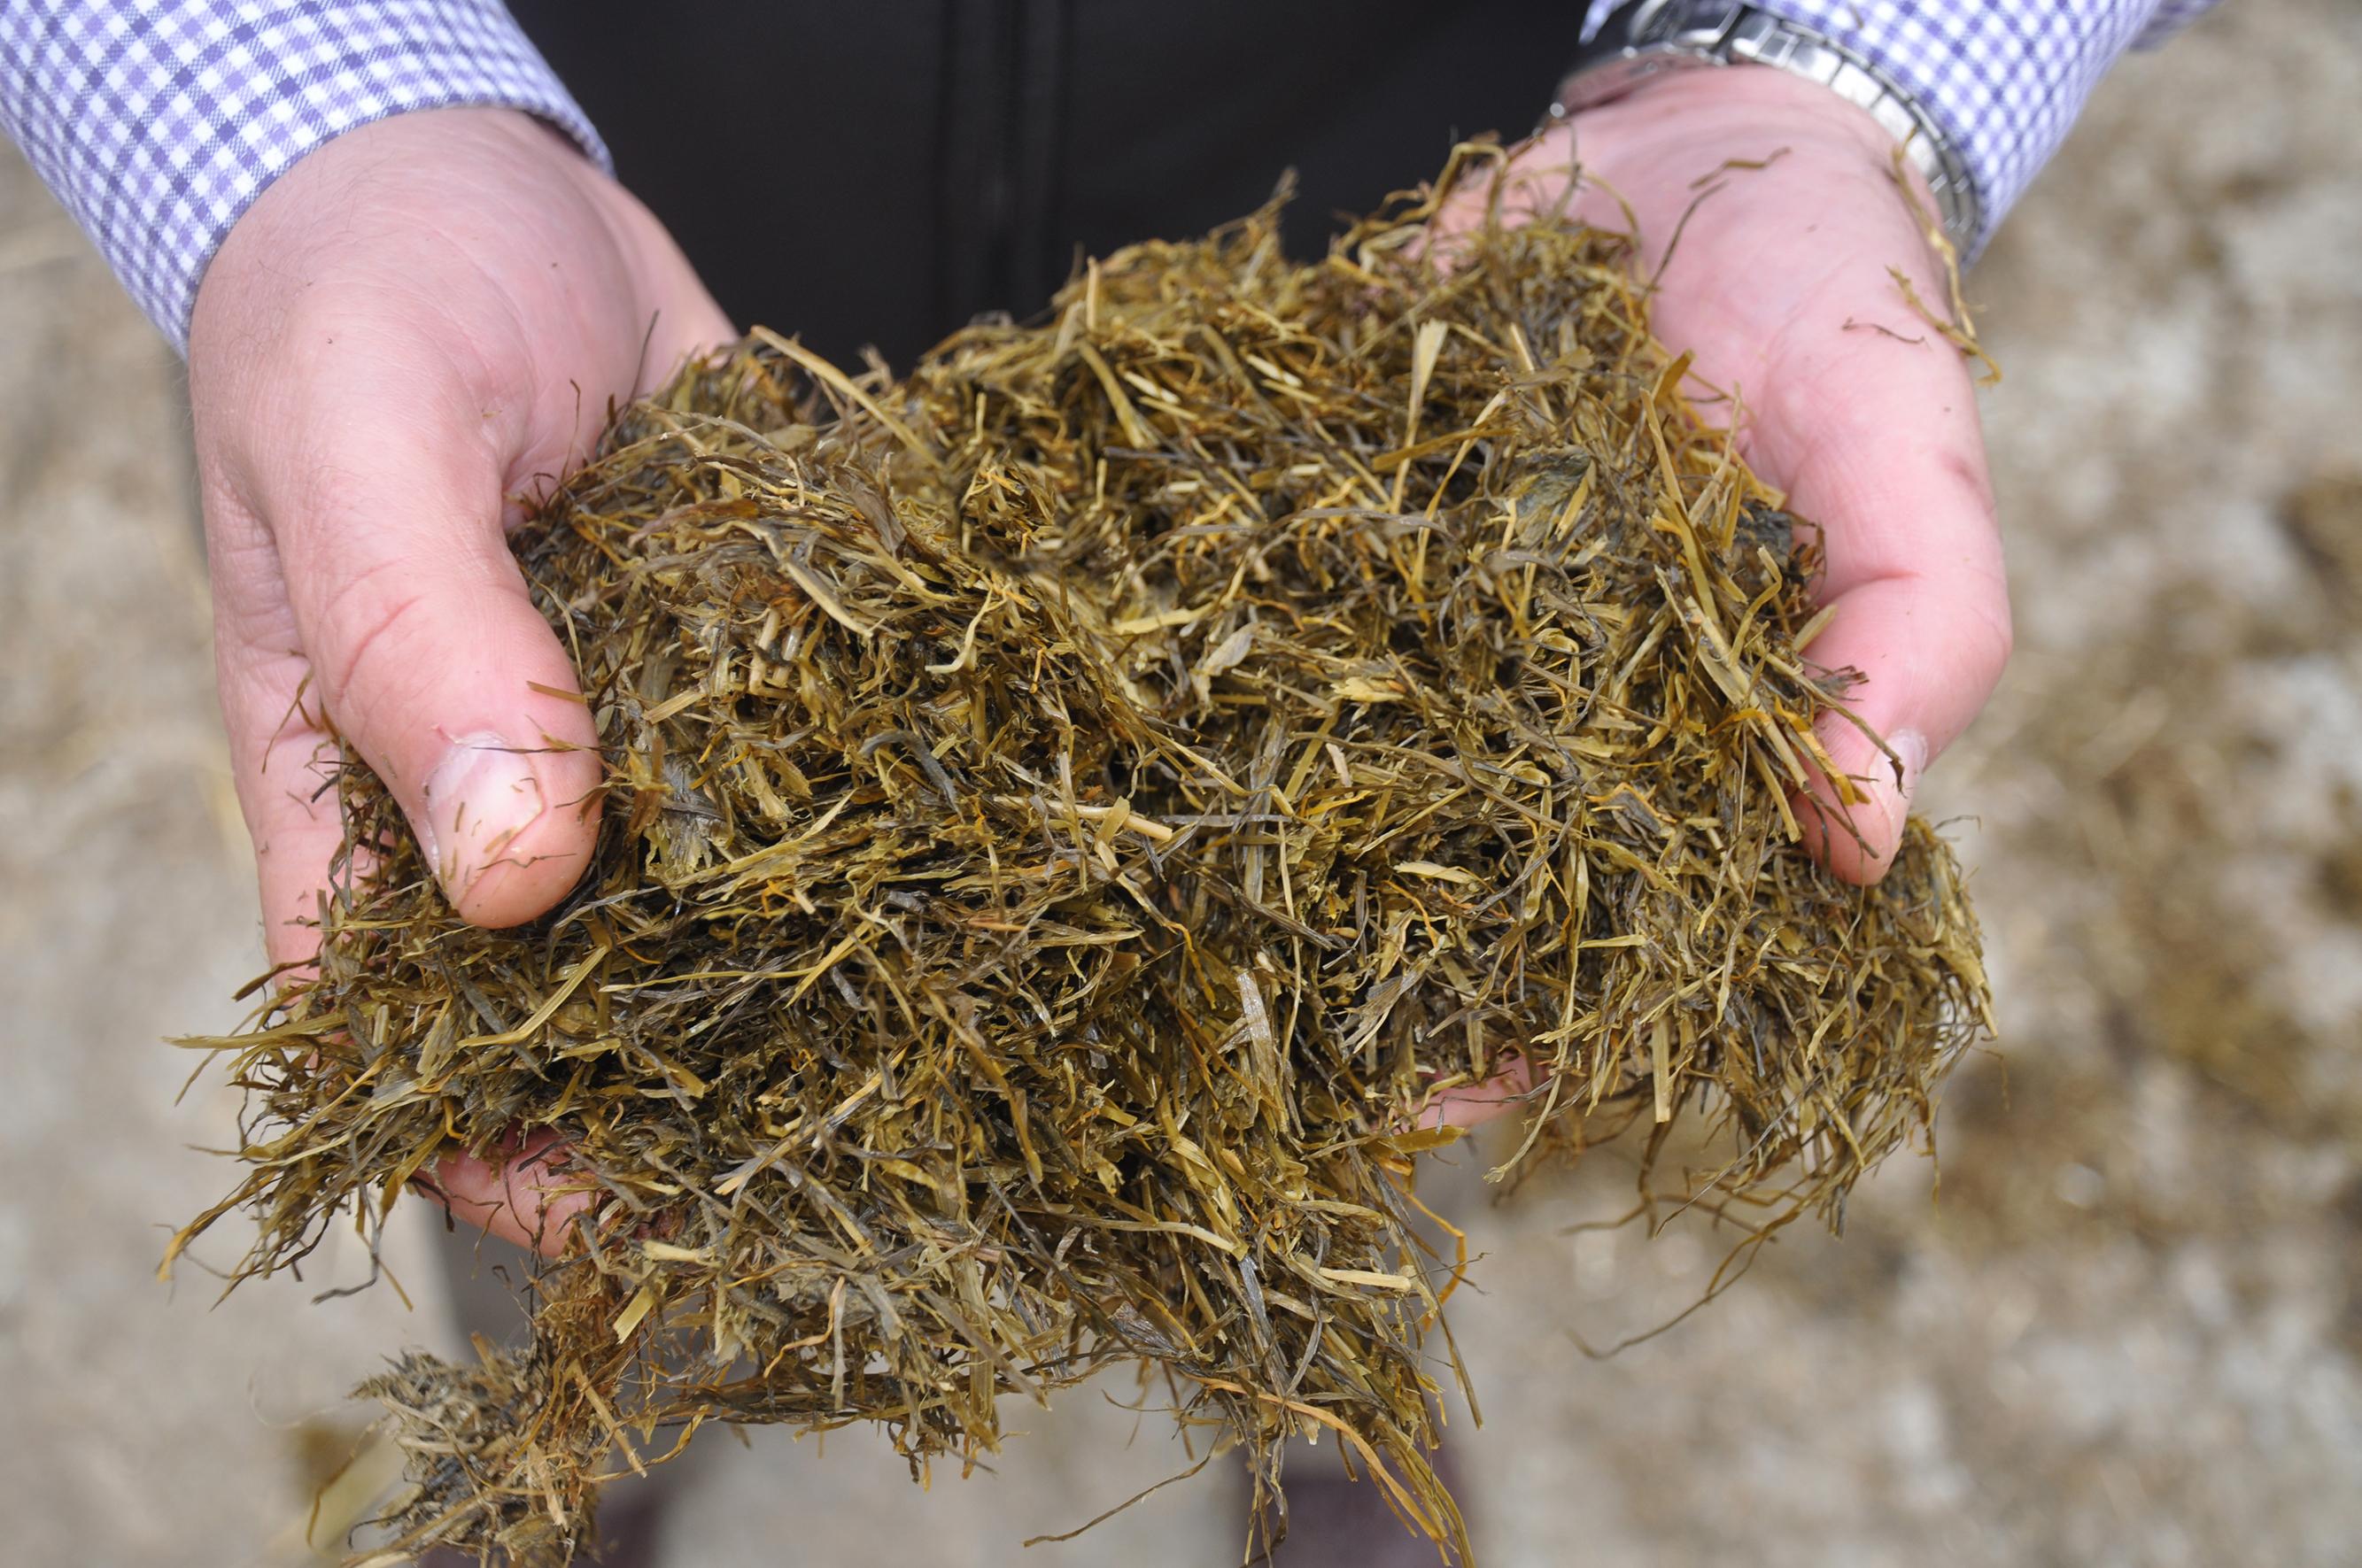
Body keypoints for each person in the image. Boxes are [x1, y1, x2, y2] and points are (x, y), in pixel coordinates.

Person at [4, 0, 2208, 1272]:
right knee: (596, 1020)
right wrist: (306, 117)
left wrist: (1804, 67)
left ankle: (1308, 1364)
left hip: (1422, 191)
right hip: (601, 221)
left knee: (1359, 1021)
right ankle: (606, 1365)